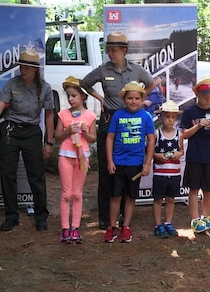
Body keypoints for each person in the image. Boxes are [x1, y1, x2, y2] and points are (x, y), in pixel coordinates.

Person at [80, 31, 154, 229]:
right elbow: (84, 83)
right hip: (110, 120)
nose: (110, 53)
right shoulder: (103, 70)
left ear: (124, 51)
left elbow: (151, 83)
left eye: (114, 50)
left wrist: (138, 99)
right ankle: (105, 216)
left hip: (131, 123)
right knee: (107, 170)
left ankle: (124, 215)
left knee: (127, 170)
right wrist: (100, 98)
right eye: (108, 50)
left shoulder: (136, 71)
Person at [0, 49, 54, 232]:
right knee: (7, 173)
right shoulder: (11, 83)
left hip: (32, 132)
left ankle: (41, 215)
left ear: (35, 70)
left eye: (27, 68)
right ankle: (11, 215)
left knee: (36, 175)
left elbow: (48, 116)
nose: (23, 70)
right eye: (21, 66)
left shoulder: (45, 88)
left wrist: (49, 142)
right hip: (11, 130)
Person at [104, 81, 155, 243]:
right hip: (118, 163)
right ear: (124, 99)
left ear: (141, 100)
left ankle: (125, 227)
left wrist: (147, 164)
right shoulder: (118, 115)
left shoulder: (146, 117)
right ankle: (112, 227)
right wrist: (110, 160)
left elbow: (151, 141)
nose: (133, 101)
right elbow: (110, 138)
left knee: (130, 196)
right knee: (115, 196)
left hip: (136, 164)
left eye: (137, 98)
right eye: (130, 98)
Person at [181, 77, 210, 234]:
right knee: (194, 189)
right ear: (197, 96)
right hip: (194, 156)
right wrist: (198, 125)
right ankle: (195, 220)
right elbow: (184, 134)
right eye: (205, 97)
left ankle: (205, 216)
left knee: (209, 189)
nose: (208, 101)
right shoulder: (189, 112)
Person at [55, 76, 97, 244]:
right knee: (66, 194)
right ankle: (65, 228)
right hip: (66, 156)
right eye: (68, 96)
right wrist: (67, 131)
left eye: (74, 95)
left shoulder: (90, 116)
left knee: (77, 193)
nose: (71, 99)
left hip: (82, 157)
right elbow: (57, 136)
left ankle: (75, 228)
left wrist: (85, 133)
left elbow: (93, 138)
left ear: (83, 97)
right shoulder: (63, 115)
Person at [151, 100, 183, 238]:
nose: (170, 120)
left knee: (170, 199)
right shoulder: (157, 134)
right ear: (161, 117)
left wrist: (178, 154)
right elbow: (151, 151)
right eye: (167, 117)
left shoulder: (179, 134)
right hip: (160, 173)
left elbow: (181, 150)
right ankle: (158, 224)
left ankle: (168, 222)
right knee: (158, 199)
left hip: (174, 174)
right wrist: (158, 156)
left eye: (173, 117)